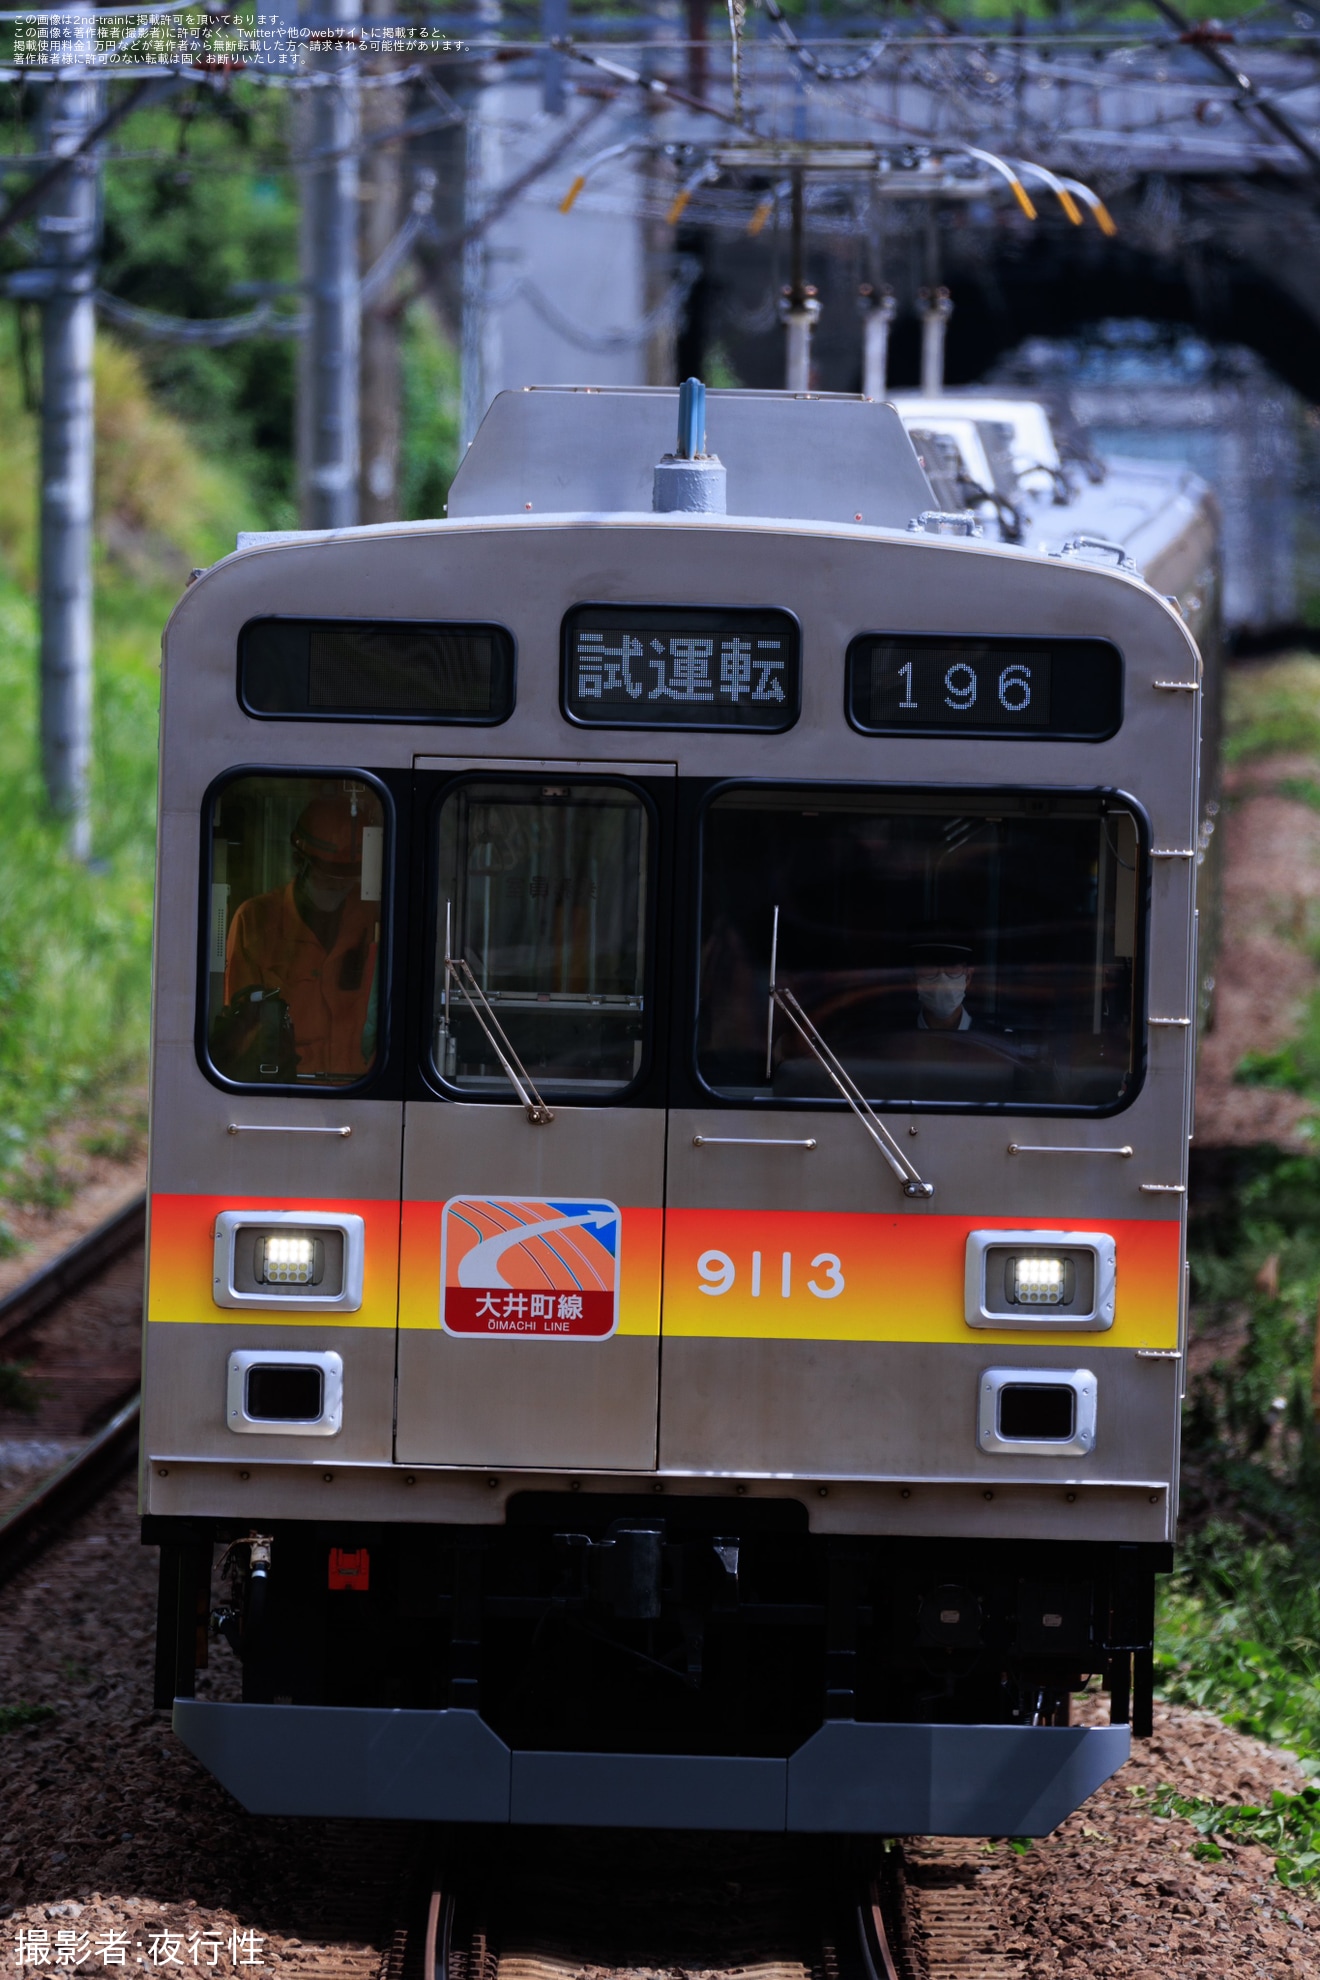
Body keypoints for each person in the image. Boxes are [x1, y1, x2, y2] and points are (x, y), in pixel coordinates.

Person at [218, 795, 379, 1081]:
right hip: (286, 1091)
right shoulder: (254, 921)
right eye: (328, 874)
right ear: (298, 860)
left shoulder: (375, 919)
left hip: (364, 1090)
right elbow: (240, 1030)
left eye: (348, 876)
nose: (337, 884)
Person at [910, 939, 975, 1033]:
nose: (942, 979)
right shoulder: (896, 1040)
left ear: (968, 977)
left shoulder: (993, 1040)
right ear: (913, 979)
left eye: (952, 966)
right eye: (930, 966)